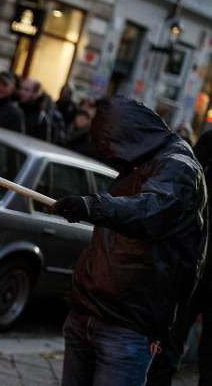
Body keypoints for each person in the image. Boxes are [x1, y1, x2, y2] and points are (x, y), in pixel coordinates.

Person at [54, 96, 208, 386]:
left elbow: (148, 211)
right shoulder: (139, 160)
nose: (113, 157)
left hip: (128, 325)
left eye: (113, 148)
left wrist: (91, 207)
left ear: (131, 136)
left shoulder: (179, 167)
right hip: (88, 309)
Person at [146, 128, 212, 386]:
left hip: (193, 260)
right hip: (192, 262)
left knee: (174, 345)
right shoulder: (208, 143)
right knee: (170, 344)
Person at [18, 78, 63, 143]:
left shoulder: (41, 119)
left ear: (36, 93)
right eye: (21, 88)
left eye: (26, 90)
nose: (22, 92)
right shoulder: (13, 107)